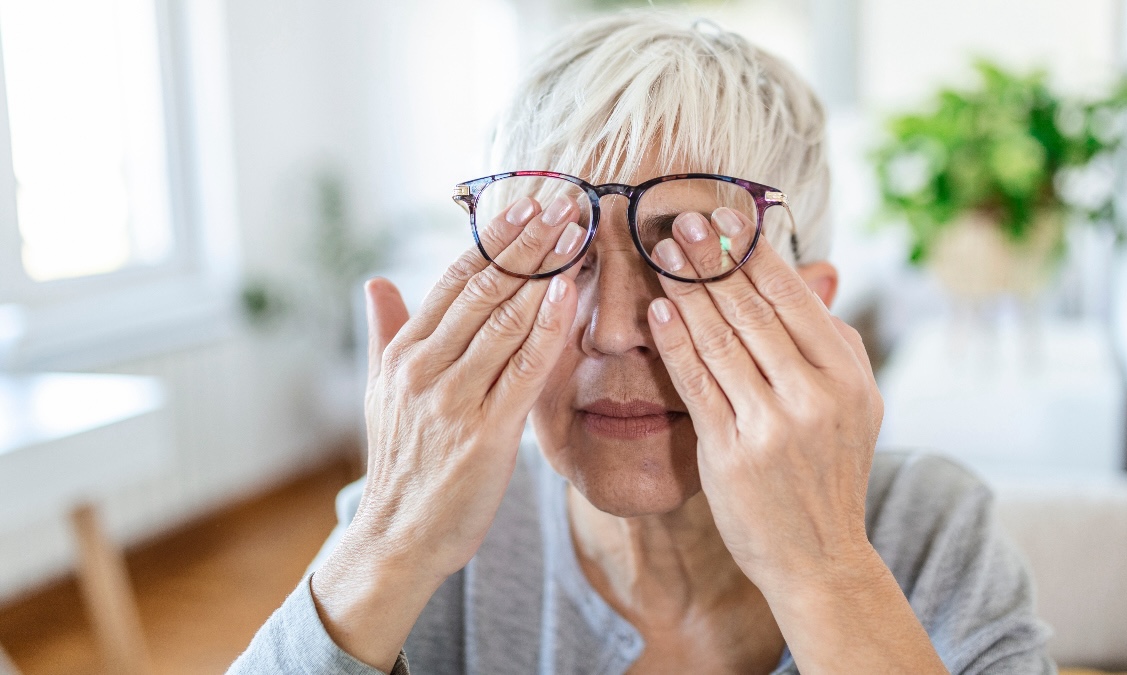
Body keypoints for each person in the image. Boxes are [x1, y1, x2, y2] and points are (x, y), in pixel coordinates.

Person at [231, 12, 1053, 675]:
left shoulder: (933, 532)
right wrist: (391, 539)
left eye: (690, 252)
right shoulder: (422, 531)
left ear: (814, 312)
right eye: (562, 252)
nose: (614, 326)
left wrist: (826, 570)